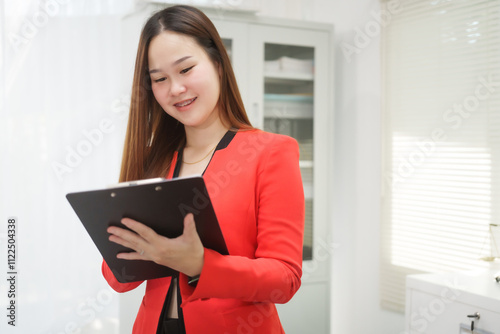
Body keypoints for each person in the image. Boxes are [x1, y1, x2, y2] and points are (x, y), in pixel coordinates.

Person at [103, 5, 305, 334]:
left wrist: (199, 264)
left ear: (218, 64)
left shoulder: (271, 152)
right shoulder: (155, 159)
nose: (175, 89)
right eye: (160, 79)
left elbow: (284, 279)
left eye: (186, 69)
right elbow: (117, 280)